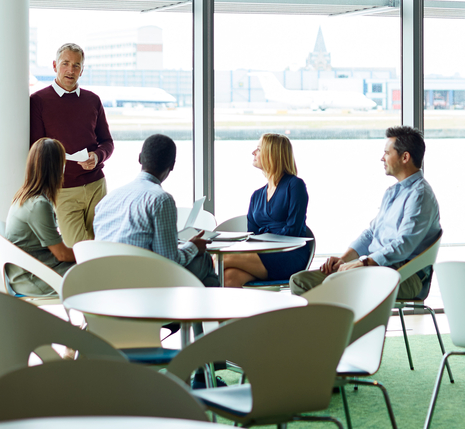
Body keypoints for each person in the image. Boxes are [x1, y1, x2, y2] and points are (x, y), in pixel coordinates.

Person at [290, 126, 440, 299]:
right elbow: (371, 233)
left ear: (405, 157)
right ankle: (335, 315)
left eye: (387, 153)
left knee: (333, 283)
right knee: (299, 281)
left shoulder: (420, 195)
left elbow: (404, 244)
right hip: (377, 267)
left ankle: (343, 316)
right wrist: (344, 259)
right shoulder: (393, 192)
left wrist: (364, 262)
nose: (382, 158)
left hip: (404, 275)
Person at [93, 133, 219, 287]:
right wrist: (193, 246)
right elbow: (169, 261)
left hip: (105, 280)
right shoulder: (160, 199)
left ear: (140, 158)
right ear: (172, 165)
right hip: (142, 281)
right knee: (204, 260)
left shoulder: (108, 199)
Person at [30, 43, 114, 247]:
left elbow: (107, 142)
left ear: (82, 70)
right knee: (78, 249)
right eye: (65, 63)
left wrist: (97, 156)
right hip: (63, 190)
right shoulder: (38, 101)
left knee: (101, 247)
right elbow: (36, 148)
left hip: (97, 186)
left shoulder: (93, 100)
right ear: (54, 65)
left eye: (77, 65)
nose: (71, 70)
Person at [222, 134, 312, 288]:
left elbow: (293, 231)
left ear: (272, 154)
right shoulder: (256, 195)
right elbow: (252, 235)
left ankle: (195, 291)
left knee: (222, 259)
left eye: (258, 149)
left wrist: (264, 239)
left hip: (289, 255)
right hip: (264, 254)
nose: (253, 152)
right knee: (228, 277)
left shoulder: (295, 185)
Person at [4, 138, 76, 297]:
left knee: (96, 272)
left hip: (30, 273)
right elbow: (62, 254)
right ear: (57, 167)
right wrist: (89, 254)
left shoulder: (23, 197)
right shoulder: (38, 205)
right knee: (99, 274)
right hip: (35, 279)